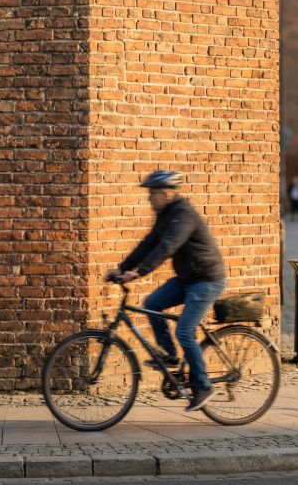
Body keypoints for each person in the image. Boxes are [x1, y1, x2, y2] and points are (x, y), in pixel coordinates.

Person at [105, 170, 227, 413]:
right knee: (151, 303)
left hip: (206, 280)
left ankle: (203, 386)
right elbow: (148, 244)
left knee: (184, 330)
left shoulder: (183, 214)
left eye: (153, 193)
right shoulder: (165, 215)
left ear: (168, 194)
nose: (149, 198)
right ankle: (170, 356)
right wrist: (122, 268)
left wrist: (139, 273)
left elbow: (167, 246)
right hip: (187, 278)